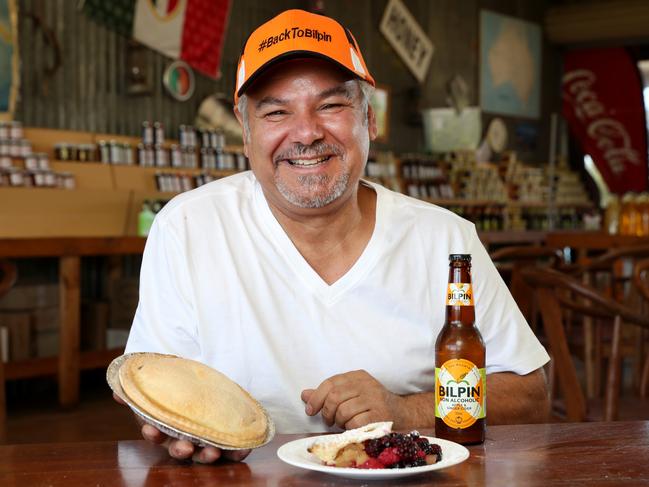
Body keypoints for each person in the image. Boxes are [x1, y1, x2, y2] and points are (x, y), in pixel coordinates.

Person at [119, 9, 550, 464]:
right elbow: (151, 384)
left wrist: (405, 411)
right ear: (245, 132)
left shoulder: (445, 240)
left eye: (331, 106)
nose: (306, 132)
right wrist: (180, 427)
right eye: (276, 111)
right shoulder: (188, 228)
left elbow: (531, 397)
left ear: (370, 121)